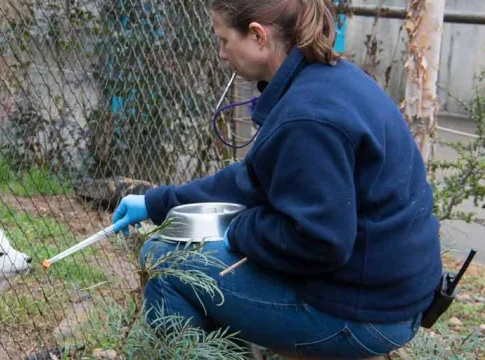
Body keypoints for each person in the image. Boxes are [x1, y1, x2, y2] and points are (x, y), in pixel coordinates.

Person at [109, 0, 443, 358]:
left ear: (258, 36)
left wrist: (236, 230)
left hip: (367, 315)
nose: (221, 54)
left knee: (166, 264)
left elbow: (319, 241)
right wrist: (155, 202)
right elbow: (250, 180)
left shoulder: (306, 118)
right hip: (386, 292)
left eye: (223, 40)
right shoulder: (328, 80)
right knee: (188, 255)